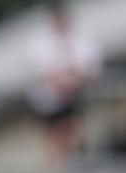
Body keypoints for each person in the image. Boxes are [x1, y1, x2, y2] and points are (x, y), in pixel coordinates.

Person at [26, 0, 102, 163]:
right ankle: (59, 171)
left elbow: (90, 68)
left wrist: (71, 79)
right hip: (49, 99)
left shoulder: (80, 40)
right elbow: (40, 71)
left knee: (74, 131)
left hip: (74, 95)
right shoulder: (41, 42)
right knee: (57, 135)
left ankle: (71, 167)